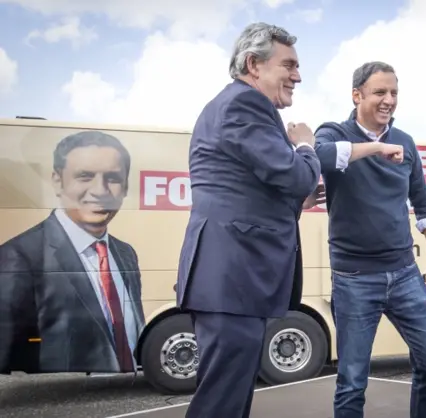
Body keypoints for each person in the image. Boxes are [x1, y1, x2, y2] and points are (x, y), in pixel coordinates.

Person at [174, 23, 322, 418]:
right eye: (288, 65)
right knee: (220, 405)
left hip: (231, 281)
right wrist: (306, 145)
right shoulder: (245, 103)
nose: (298, 75)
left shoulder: (235, 105)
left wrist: (298, 203)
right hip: (231, 279)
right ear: (253, 64)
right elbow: (295, 174)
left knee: (230, 400)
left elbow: (248, 191)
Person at [314, 61, 426, 418]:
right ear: (357, 95)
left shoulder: (405, 142)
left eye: (394, 93)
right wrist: (374, 149)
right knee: (352, 383)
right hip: (354, 280)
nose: (389, 100)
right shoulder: (333, 131)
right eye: (380, 92)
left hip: (404, 275)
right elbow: (319, 156)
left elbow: (424, 203)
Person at [0, 131, 144, 375]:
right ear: (57, 181)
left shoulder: (125, 252)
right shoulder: (19, 256)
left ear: (126, 187)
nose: (100, 190)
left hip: (123, 394)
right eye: (85, 176)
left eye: (113, 178)